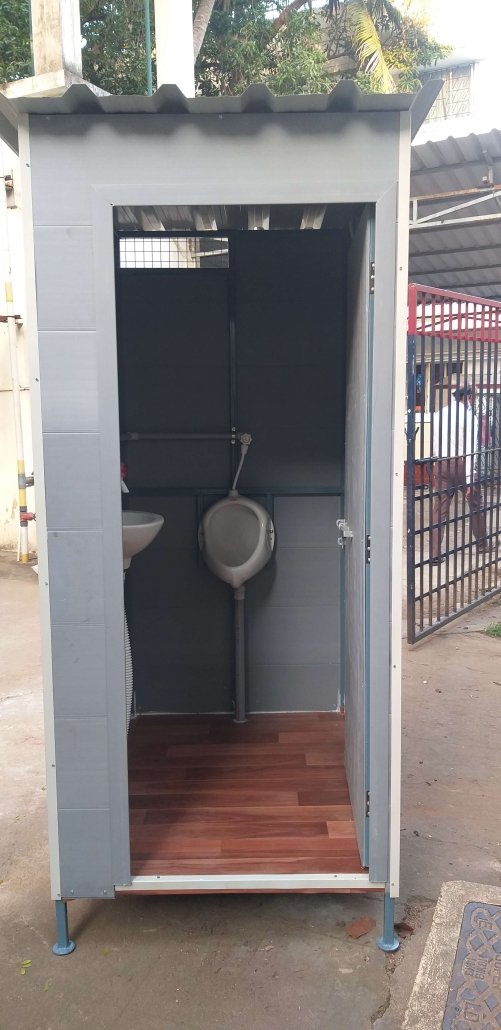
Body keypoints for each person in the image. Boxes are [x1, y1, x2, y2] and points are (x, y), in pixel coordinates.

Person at [431, 383, 488, 564]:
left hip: (441, 463)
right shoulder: (469, 417)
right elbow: (471, 449)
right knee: (476, 503)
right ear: (469, 397)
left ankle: (434, 554)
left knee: (440, 509)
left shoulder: (439, 414)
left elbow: (435, 442)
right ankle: (482, 544)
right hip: (462, 464)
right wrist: (470, 479)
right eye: (474, 397)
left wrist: (436, 464)